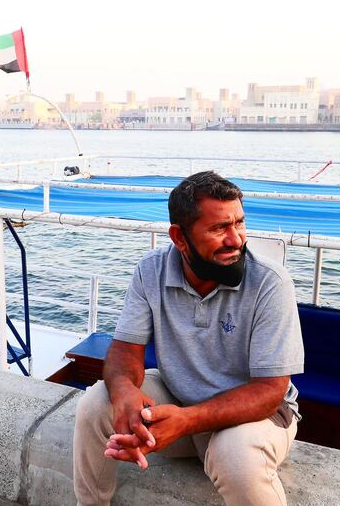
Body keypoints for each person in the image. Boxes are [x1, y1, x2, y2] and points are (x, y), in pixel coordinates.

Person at [73, 171, 304, 506]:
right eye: (218, 228)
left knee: (235, 458)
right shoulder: (150, 270)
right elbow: (125, 348)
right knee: (97, 403)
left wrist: (187, 420)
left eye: (239, 223)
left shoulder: (270, 283)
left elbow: (270, 391)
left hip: (256, 416)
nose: (236, 239)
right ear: (179, 238)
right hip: (180, 402)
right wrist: (124, 391)